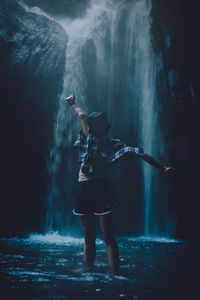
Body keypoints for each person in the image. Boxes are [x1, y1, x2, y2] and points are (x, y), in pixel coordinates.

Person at [66, 94, 174, 275]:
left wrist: (162, 168)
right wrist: (73, 104)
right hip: (84, 186)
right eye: (95, 121)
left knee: (108, 235)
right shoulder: (87, 136)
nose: (95, 124)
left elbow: (140, 153)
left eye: (100, 121)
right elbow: (82, 116)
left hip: (101, 187)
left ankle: (114, 272)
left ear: (105, 125)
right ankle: (87, 266)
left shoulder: (113, 143)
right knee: (88, 234)